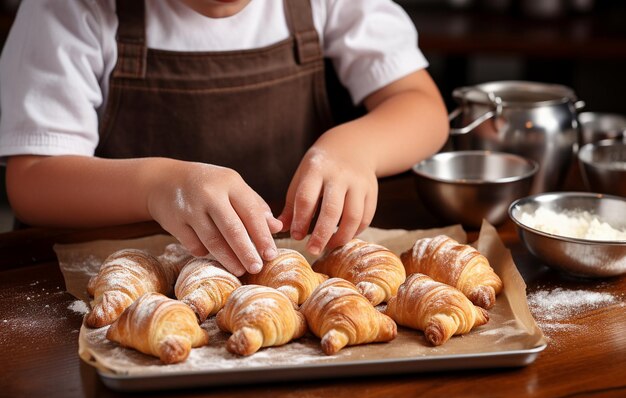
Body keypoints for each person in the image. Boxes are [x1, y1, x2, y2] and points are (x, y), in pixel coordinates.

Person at [0, 0, 448, 276]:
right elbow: (34, 180)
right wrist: (159, 186)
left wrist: (359, 148)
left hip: (285, 266)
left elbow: (422, 107)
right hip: (128, 276)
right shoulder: (69, 8)